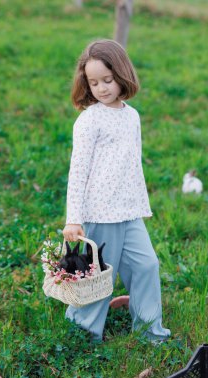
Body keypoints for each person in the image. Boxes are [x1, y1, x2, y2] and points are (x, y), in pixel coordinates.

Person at [63, 39, 170, 343]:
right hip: (99, 211)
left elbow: (132, 164)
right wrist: (74, 218)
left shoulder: (131, 116)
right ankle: (82, 332)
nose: (101, 88)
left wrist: (139, 203)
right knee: (99, 277)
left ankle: (152, 333)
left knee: (147, 265)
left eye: (107, 80)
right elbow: (78, 171)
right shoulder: (89, 120)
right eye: (93, 82)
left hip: (129, 211)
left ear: (122, 75)